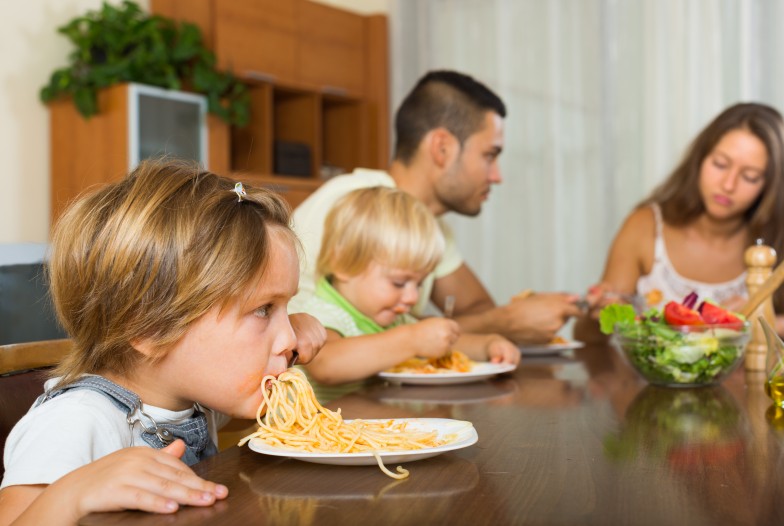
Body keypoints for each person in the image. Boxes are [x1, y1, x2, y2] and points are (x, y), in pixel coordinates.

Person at [0, 160, 326, 524]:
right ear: (150, 328)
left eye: (286, 306)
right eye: (263, 309)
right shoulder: (75, 422)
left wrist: (289, 333)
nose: (289, 337)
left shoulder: (187, 396)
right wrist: (72, 494)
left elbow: (248, 399)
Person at [291, 70, 582, 345]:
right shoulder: (352, 206)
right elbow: (308, 339)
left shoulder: (425, 225)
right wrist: (503, 321)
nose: (497, 176)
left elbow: (478, 308)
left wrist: (506, 320)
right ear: (442, 148)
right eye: (489, 155)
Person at [575, 102, 784, 342]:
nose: (728, 185)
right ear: (700, 159)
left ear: (770, 187)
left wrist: (771, 321)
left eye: (749, 177)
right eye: (720, 164)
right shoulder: (645, 227)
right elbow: (589, 339)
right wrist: (597, 311)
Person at [298, 187, 520, 400]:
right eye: (399, 283)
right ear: (344, 264)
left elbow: (444, 344)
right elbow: (327, 366)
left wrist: (488, 346)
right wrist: (412, 339)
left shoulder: (394, 320)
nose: (413, 297)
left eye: (420, 284)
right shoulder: (323, 313)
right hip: (316, 434)